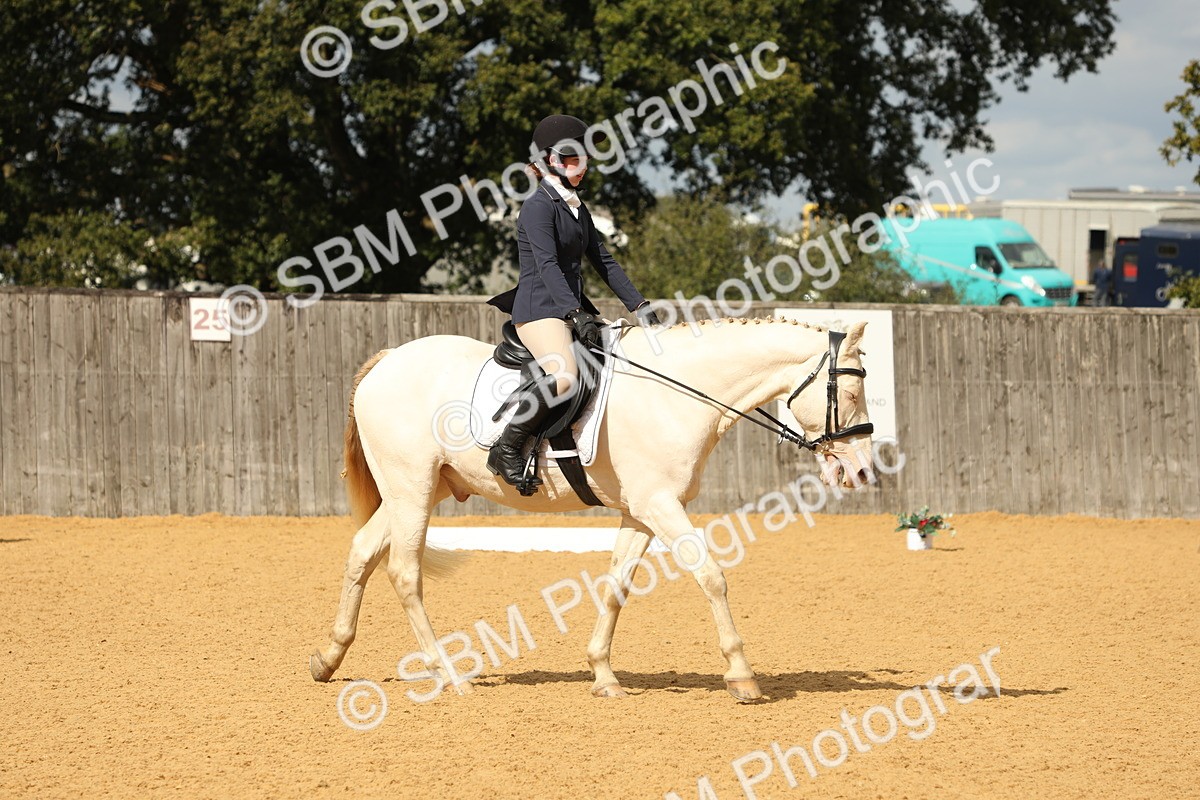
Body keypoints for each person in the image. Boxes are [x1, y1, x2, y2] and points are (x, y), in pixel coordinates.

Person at [485, 114, 660, 494]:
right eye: (570, 159)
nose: (580, 166)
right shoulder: (538, 206)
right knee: (565, 376)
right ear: (550, 160)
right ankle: (507, 448)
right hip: (539, 311)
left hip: (567, 309)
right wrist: (575, 312)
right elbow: (546, 265)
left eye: (583, 158)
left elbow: (604, 261)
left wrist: (639, 305)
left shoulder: (576, 207)